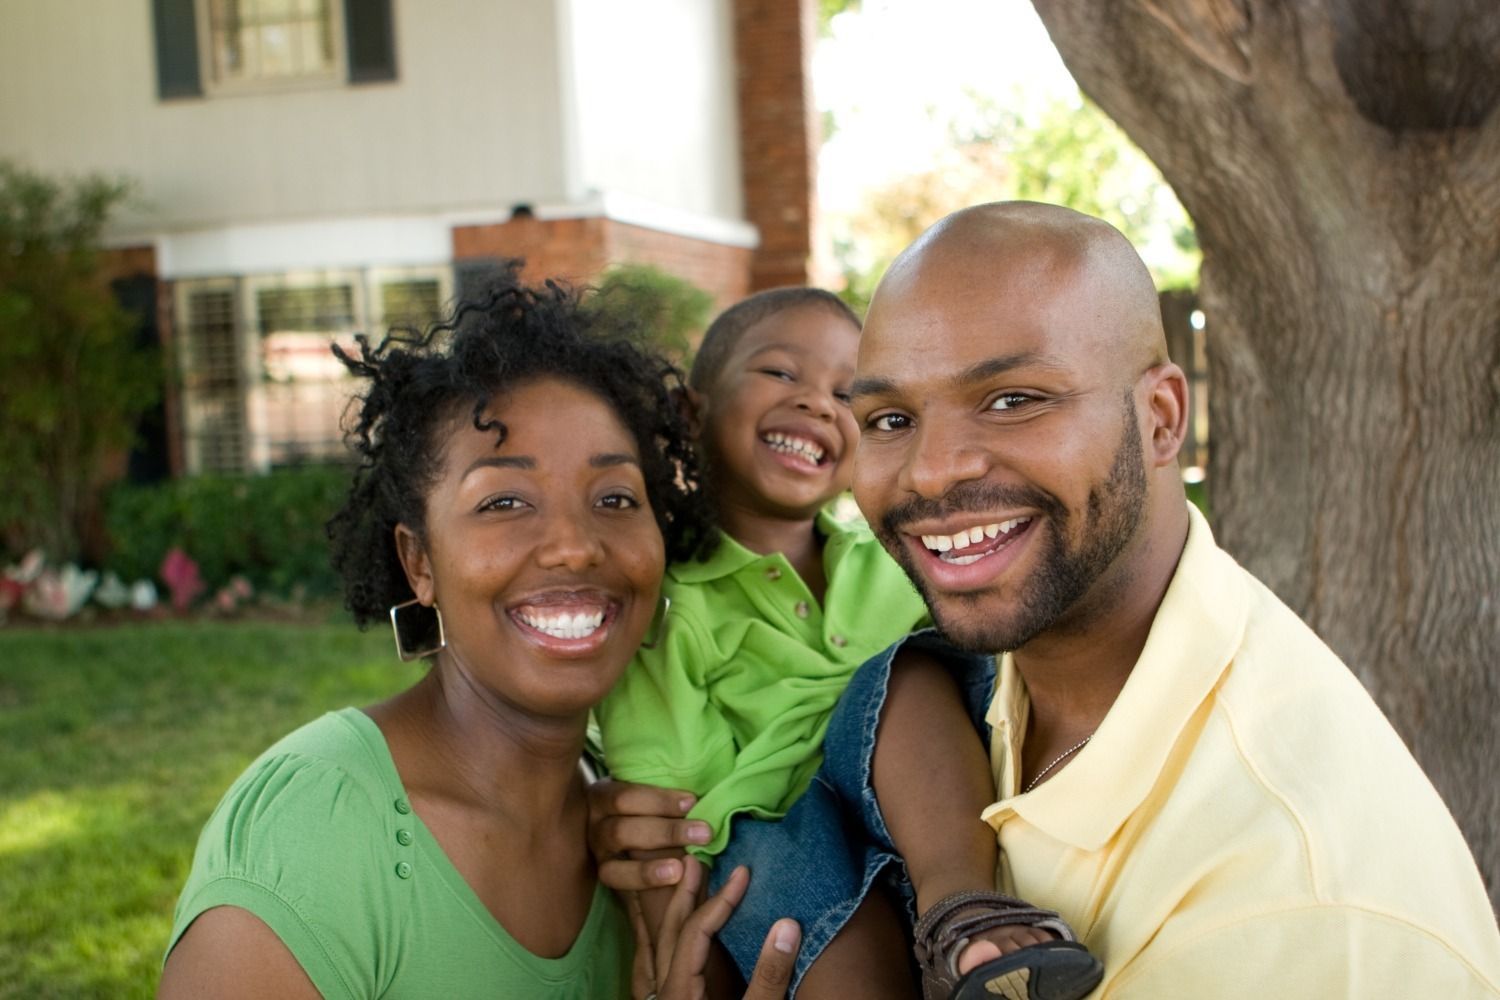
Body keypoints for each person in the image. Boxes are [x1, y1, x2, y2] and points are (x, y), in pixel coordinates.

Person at [596, 201, 1500, 999]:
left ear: (1159, 418)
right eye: (892, 419)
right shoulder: (1006, 660)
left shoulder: (1290, 908)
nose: (934, 467)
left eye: (1013, 398)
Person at [157, 272, 800, 1000]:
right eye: (504, 501)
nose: (574, 547)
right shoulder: (318, 833)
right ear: (418, 561)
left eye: (616, 497)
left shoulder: (638, 849)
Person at [595, 286, 1098, 999]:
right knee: (792, 901)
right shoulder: (669, 599)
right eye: (780, 373)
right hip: (776, 836)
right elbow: (669, 825)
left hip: (926, 821)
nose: (816, 404)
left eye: (847, 395)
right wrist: (668, 962)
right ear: (692, 410)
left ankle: (967, 909)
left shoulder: (894, 561)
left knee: (905, 676)